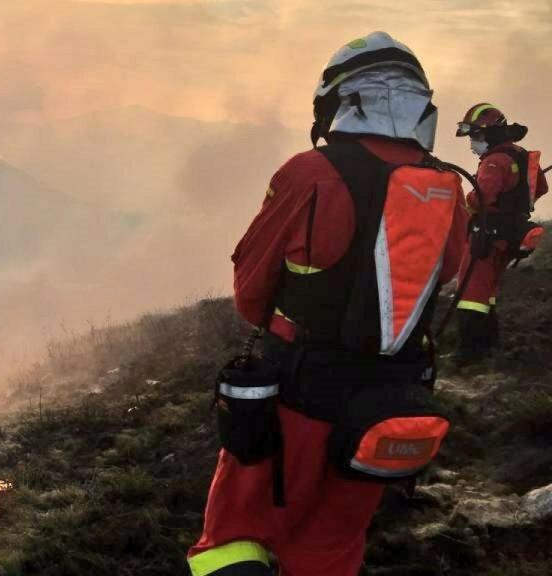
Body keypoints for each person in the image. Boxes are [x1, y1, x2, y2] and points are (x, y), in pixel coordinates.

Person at [187, 32, 468, 576]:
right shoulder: (446, 187)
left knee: (233, 538)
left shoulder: (311, 173)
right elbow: (447, 274)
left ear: (339, 101)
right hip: (387, 404)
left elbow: (251, 292)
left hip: (297, 394)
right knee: (332, 546)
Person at [453, 104, 547, 362]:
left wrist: (463, 198)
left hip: (487, 235)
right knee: (487, 291)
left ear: (491, 134)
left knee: (471, 292)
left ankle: (471, 352)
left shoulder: (494, 161)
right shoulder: (522, 155)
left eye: (477, 136)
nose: (473, 142)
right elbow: (540, 188)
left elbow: (480, 198)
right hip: (509, 235)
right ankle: (489, 342)